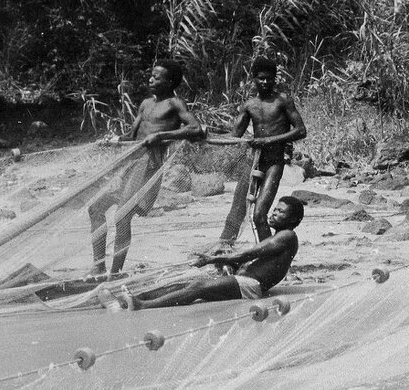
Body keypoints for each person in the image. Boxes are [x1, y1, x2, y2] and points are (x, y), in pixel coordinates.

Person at [89, 60, 203, 280]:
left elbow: (195, 128)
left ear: (169, 82)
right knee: (95, 208)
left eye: (157, 77)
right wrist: (114, 139)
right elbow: (131, 137)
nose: (151, 79)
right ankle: (98, 266)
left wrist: (162, 136)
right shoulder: (144, 104)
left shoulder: (174, 103)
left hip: (148, 165)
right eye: (151, 75)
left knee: (123, 217)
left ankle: (116, 272)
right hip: (129, 162)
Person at [106, 196, 305, 310]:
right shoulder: (278, 235)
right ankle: (133, 299)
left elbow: (246, 255)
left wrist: (212, 259)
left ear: (293, 220)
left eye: (280, 212)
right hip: (243, 281)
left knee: (198, 287)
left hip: (251, 287)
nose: (274, 213)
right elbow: (259, 220)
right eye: (275, 209)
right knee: (184, 285)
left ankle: (143, 306)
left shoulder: (287, 236)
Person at [214, 57, 307, 249]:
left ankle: (270, 257)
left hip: (274, 162)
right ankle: (223, 250)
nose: (265, 82)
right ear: (254, 79)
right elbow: (235, 137)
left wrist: (268, 140)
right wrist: (207, 136)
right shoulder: (249, 105)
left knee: (259, 214)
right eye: (261, 78)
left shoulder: (282, 101)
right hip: (253, 162)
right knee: (237, 211)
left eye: (269, 78)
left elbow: (300, 130)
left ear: (275, 79)